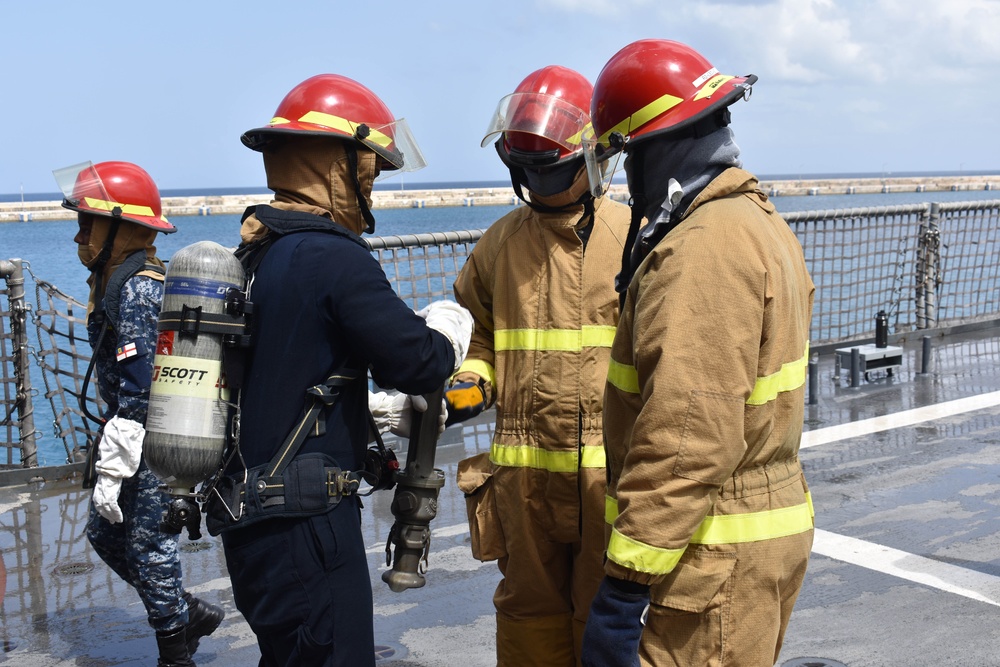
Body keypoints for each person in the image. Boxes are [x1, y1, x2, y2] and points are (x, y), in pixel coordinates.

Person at [215, 73, 472, 666]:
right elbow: (419, 361)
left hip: (247, 516)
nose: (373, 187)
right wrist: (450, 327)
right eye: (369, 171)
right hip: (306, 525)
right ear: (337, 164)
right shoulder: (331, 255)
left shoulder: (256, 251)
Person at [580, 39, 816, 667]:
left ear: (653, 150)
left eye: (626, 156)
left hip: (707, 552)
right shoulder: (753, 220)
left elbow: (686, 437)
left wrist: (623, 588)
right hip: (744, 535)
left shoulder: (702, 249)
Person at [450, 65, 631, 666]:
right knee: (528, 612)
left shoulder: (633, 237)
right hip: (524, 479)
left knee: (603, 609)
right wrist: (475, 375)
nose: (537, 181)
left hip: (605, 476)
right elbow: (479, 335)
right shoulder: (501, 244)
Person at [57, 160, 225, 667]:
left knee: (150, 545)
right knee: (106, 534)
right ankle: (184, 613)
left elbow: (145, 384)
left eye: (88, 224)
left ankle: (175, 654)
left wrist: (119, 449)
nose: (79, 237)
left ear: (121, 227)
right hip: (131, 431)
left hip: (156, 436)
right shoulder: (116, 281)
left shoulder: (137, 288)